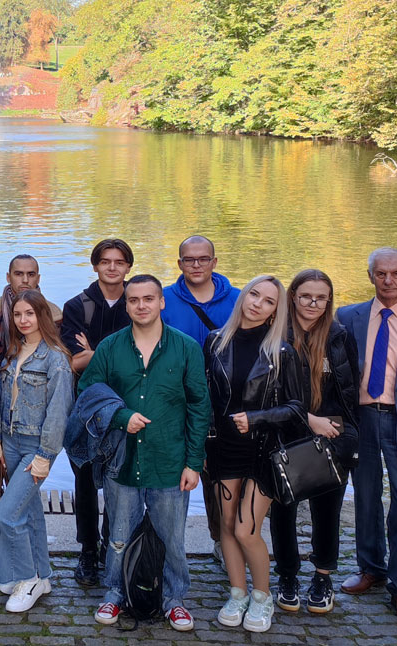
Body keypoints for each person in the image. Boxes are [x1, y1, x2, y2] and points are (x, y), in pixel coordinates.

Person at [78, 274, 208, 632]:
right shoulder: (109, 348)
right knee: (119, 534)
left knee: (173, 540)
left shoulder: (185, 348)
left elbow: (199, 407)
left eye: (148, 299)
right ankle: (115, 592)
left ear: (161, 301)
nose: (141, 306)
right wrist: (121, 417)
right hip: (122, 461)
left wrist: (193, 463)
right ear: (127, 304)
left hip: (170, 460)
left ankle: (174, 599)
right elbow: (88, 394)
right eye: (133, 300)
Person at [203, 275, 304, 633]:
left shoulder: (282, 352)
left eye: (269, 301)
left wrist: (257, 418)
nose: (258, 303)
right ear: (243, 296)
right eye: (254, 294)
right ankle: (238, 593)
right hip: (223, 447)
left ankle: (263, 598)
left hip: (263, 451)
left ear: (276, 311)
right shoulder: (215, 341)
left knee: (247, 529)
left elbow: (296, 409)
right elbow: (205, 399)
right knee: (227, 527)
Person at [336, 247, 397, 625]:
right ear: (370, 275)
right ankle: (371, 568)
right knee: (367, 498)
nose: (388, 281)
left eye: (395, 274)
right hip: (363, 419)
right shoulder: (347, 316)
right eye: (381, 274)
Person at [269, 270, 359, 615]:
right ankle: (288, 575)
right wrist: (307, 419)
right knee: (283, 508)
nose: (313, 304)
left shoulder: (338, 335)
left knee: (328, 511)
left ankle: (322, 577)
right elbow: (269, 391)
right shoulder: (276, 333)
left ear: (329, 300)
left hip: (332, 436)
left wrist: (349, 432)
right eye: (306, 296)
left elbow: (350, 389)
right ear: (293, 296)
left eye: (321, 298)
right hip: (286, 434)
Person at [0, 254, 62, 561]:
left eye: (30, 273)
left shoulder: (52, 314)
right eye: (18, 273)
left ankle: (25, 566)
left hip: (33, 420)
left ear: (38, 277)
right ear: (9, 276)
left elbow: (58, 362)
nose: (24, 279)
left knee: (20, 499)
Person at [0, 290, 72, 613]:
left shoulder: (56, 358)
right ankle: (43, 574)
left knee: (7, 515)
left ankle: (26, 578)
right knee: (31, 513)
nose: (24, 320)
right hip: (10, 440)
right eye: (18, 314)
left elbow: (58, 412)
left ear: (42, 316)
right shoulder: (13, 352)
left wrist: (45, 456)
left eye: (30, 314)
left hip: (36, 444)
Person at [161, 235, 240, 568]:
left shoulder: (238, 299)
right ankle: (167, 547)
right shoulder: (163, 299)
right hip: (177, 400)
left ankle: (223, 542)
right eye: (189, 260)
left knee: (221, 477)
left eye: (202, 259)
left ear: (214, 262)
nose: (196, 265)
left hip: (226, 402)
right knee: (174, 473)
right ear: (179, 263)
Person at [60, 238, 133, 585]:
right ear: (96, 266)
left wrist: (96, 348)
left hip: (129, 405)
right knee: (86, 481)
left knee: (120, 480)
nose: (113, 267)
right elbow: (74, 362)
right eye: (106, 261)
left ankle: (111, 546)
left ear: (128, 267)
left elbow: (143, 355)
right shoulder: (78, 305)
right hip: (86, 407)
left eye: (119, 262)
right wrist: (117, 347)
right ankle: (88, 551)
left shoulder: (139, 299)